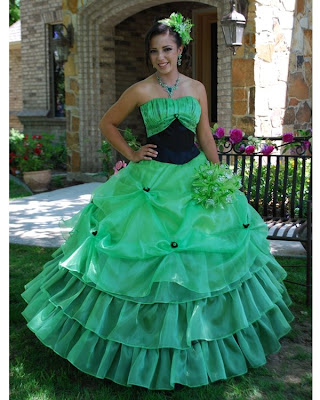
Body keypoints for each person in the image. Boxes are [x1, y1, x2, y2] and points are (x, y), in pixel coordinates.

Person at [22, 13, 293, 390]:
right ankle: (143, 339)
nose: (161, 57)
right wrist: (132, 154)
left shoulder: (197, 88)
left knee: (201, 255)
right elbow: (107, 123)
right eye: (154, 51)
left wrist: (220, 177)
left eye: (167, 49)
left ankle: (200, 336)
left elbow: (205, 137)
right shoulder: (140, 90)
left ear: (180, 50)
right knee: (148, 259)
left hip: (194, 177)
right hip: (152, 181)